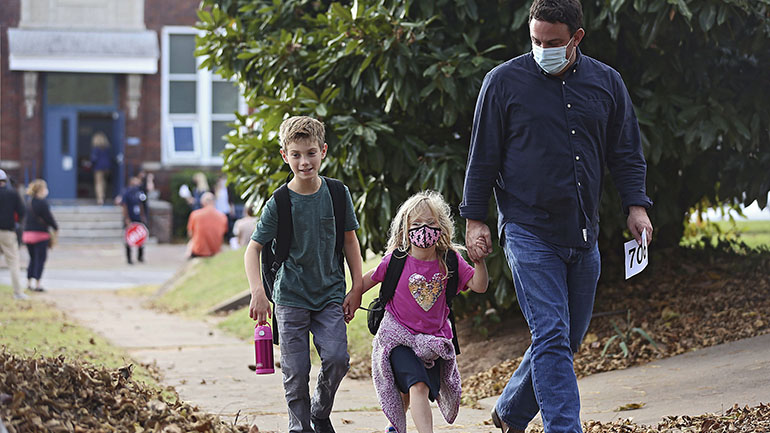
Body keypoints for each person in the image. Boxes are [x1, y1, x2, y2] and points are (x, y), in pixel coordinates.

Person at [460, 1, 654, 432]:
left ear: (577, 38)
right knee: (551, 333)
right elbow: (482, 158)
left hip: (583, 232)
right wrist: (476, 219)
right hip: (528, 229)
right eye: (534, 41)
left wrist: (636, 206)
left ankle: (510, 412)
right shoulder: (503, 82)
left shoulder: (607, 83)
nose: (542, 49)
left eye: (553, 42)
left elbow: (626, 153)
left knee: (567, 339)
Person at [244, 116, 363, 433]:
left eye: (310, 153)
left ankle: (319, 412)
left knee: (337, 358)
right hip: (291, 298)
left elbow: (350, 241)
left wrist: (357, 288)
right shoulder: (280, 202)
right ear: (285, 156)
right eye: (296, 154)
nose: (304, 161)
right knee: (296, 372)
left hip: (329, 295)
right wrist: (258, 291)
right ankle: (300, 427)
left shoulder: (338, 194)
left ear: (323, 151)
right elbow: (253, 249)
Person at [362, 191, 488, 433]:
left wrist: (478, 261)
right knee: (417, 385)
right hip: (398, 338)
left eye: (431, 223)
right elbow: (365, 282)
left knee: (408, 387)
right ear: (405, 229)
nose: (424, 229)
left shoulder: (449, 260)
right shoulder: (395, 261)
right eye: (417, 224)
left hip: (432, 342)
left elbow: (479, 286)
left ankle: (393, 426)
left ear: (441, 227)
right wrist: (348, 301)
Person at [22, 179, 58, 293]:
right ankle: (37, 284)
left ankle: (28, 282)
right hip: (40, 235)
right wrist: (55, 227)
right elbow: (49, 218)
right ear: (41, 190)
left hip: (28, 235)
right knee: (40, 259)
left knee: (32, 259)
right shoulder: (42, 203)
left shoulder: (29, 202)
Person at [0, 169, 27, 300]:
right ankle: (17, 292)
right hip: (7, 232)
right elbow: (22, 212)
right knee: (13, 262)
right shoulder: (12, 193)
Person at [186, 192, 228, 258]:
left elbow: (190, 234)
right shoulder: (223, 217)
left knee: (190, 243)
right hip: (215, 250)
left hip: (198, 251)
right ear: (214, 202)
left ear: (202, 202)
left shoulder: (195, 215)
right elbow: (223, 234)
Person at [122, 176, 147, 264]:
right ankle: (129, 258)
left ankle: (140, 257)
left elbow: (141, 204)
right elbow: (124, 206)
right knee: (129, 238)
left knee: (140, 237)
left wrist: (142, 216)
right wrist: (127, 219)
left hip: (138, 218)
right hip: (130, 217)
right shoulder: (127, 193)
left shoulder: (139, 192)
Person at [90, 131, 112, 205]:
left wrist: (91, 164)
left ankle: (100, 199)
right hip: (107, 168)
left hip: (98, 168)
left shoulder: (96, 149)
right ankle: (103, 196)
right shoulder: (107, 148)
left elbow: (93, 159)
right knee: (104, 182)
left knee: (99, 183)